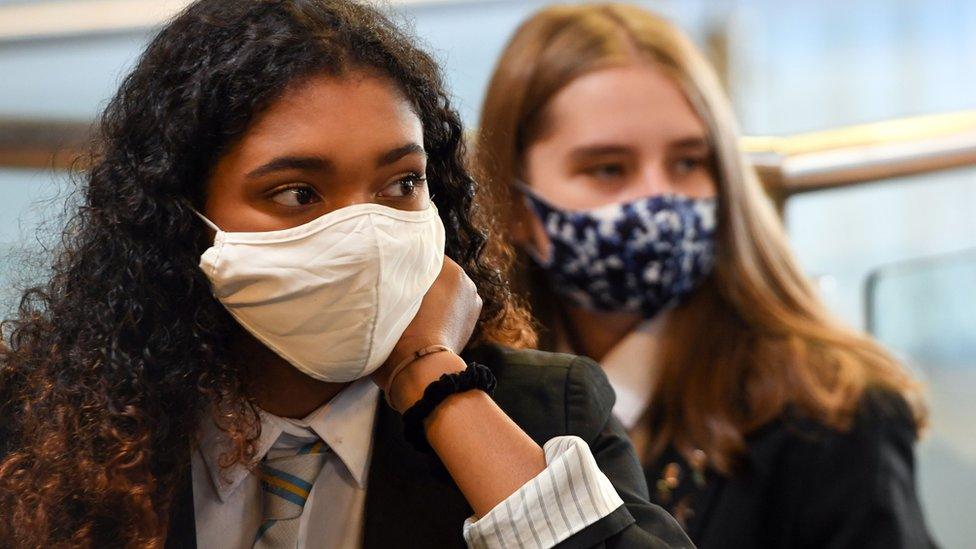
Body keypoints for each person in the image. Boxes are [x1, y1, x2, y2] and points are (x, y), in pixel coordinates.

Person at [0, 1, 694, 547]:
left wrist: (433, 381)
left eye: (400, 184)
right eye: (299, 192)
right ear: (179, 217)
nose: (366, 234)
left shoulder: (545, 412)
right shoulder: (41, 426)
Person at [473, 3, 936, 548]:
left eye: (688, 162)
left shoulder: (833, 413)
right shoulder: (481, 395)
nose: (657, 199)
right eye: (608, 169)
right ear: (518, 206)